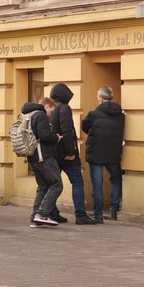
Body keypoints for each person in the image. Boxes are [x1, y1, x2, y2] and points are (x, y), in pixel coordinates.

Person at [50, 83, 96, 225]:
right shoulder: (64, 108)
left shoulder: (52, 109)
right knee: (77, 182)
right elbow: (67, 131)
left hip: (54, 153)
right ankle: (80, 215)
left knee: (52, 184)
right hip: (66, 154)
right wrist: (71, 152)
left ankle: (52, 212)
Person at [81, 86, 125, 222]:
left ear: (100, 98)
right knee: (116, 179)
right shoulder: (121, 115)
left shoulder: (93, 114)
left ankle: (98, 214)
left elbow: (85, 127)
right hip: (113, 152)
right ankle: (114, 209)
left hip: (96, 152)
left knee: (97, 183)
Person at [26, 97, 64, 227]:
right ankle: (42, 214)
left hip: (33, 157)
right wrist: (56, 138)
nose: (51, 115)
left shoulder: (29, 115)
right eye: (51, 111)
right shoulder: (40, 115)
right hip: (44, 156)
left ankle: (34, 218)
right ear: (46, 106)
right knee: (56, 184)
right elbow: (45, 136)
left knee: (42, 187)